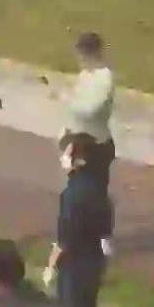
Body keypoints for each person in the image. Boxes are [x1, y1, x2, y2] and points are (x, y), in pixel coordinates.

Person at [43, 133, 112, 307]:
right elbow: (105, 230)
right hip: (94, 260)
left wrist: (50, 266)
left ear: (78, 158)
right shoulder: (98, 188)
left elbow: (64, 238)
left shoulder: (71, 194)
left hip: (74, 264)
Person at [62, 32, 116, 256]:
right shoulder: (84, 76)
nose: (81, 59)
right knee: (73, 192)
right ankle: (72, 237)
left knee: (97, 193)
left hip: (98, 144)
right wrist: (65, 141)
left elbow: (90, 110)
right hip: (78, 142)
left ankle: (104, 236)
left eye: (84, 54)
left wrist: (68, 101)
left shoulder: (105, 77)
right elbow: (73, 112)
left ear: (95, 52)